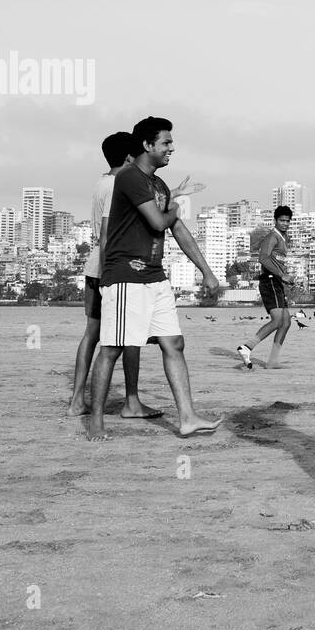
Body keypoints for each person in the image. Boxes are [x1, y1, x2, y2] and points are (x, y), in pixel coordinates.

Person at [88, 116, 222, 441]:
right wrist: (175, 208)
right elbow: (160, 222)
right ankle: (94, 422)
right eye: (166, 142)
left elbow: (178, 229)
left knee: (174, 343)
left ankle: (187, 418)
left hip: (155, 276)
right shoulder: (131, 178)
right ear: (147, 145)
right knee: (112, 348)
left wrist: (207, 271)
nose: (171, 148)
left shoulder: (159, 185)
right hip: (126, 277)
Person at [69, 132, 156, 419]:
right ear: (130, 157)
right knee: (130, 337)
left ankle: (77, 400)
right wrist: (112, 275)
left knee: (91, 335)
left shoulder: (100, 182)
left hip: (94, 266)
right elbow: (109, 235)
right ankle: (131, 401)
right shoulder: (120, 184)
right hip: (111, 268)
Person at [236, 206, 294, 369]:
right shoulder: (272, 237)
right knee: (277, 321)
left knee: (286, 322)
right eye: (282, 220)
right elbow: (263, 258)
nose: (285, 223)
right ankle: (247, 347)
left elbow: (276, 261)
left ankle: (272, 362)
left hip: (276, 282)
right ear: (276, 221)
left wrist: (285, 276)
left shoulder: (284, 238)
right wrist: (281, 275)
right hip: (269, 281)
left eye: (288, 221)